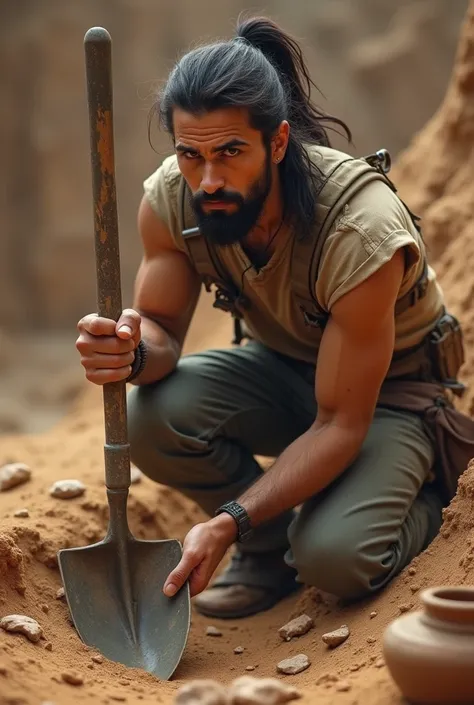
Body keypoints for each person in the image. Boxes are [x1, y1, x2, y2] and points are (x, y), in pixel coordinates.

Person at [75, 16, 472, 620]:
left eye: (231, 152)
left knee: (333, 560)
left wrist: (228, 519)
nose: (208, 179)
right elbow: (162, 336)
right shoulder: (172, 202)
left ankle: (432, 495)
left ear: (278, 142)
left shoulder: (359, 230)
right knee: (151, 416)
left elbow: (340, 421)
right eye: (190, 154)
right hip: (284, 372)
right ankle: (265, 549)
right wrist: (130, 348)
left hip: (391, 396)